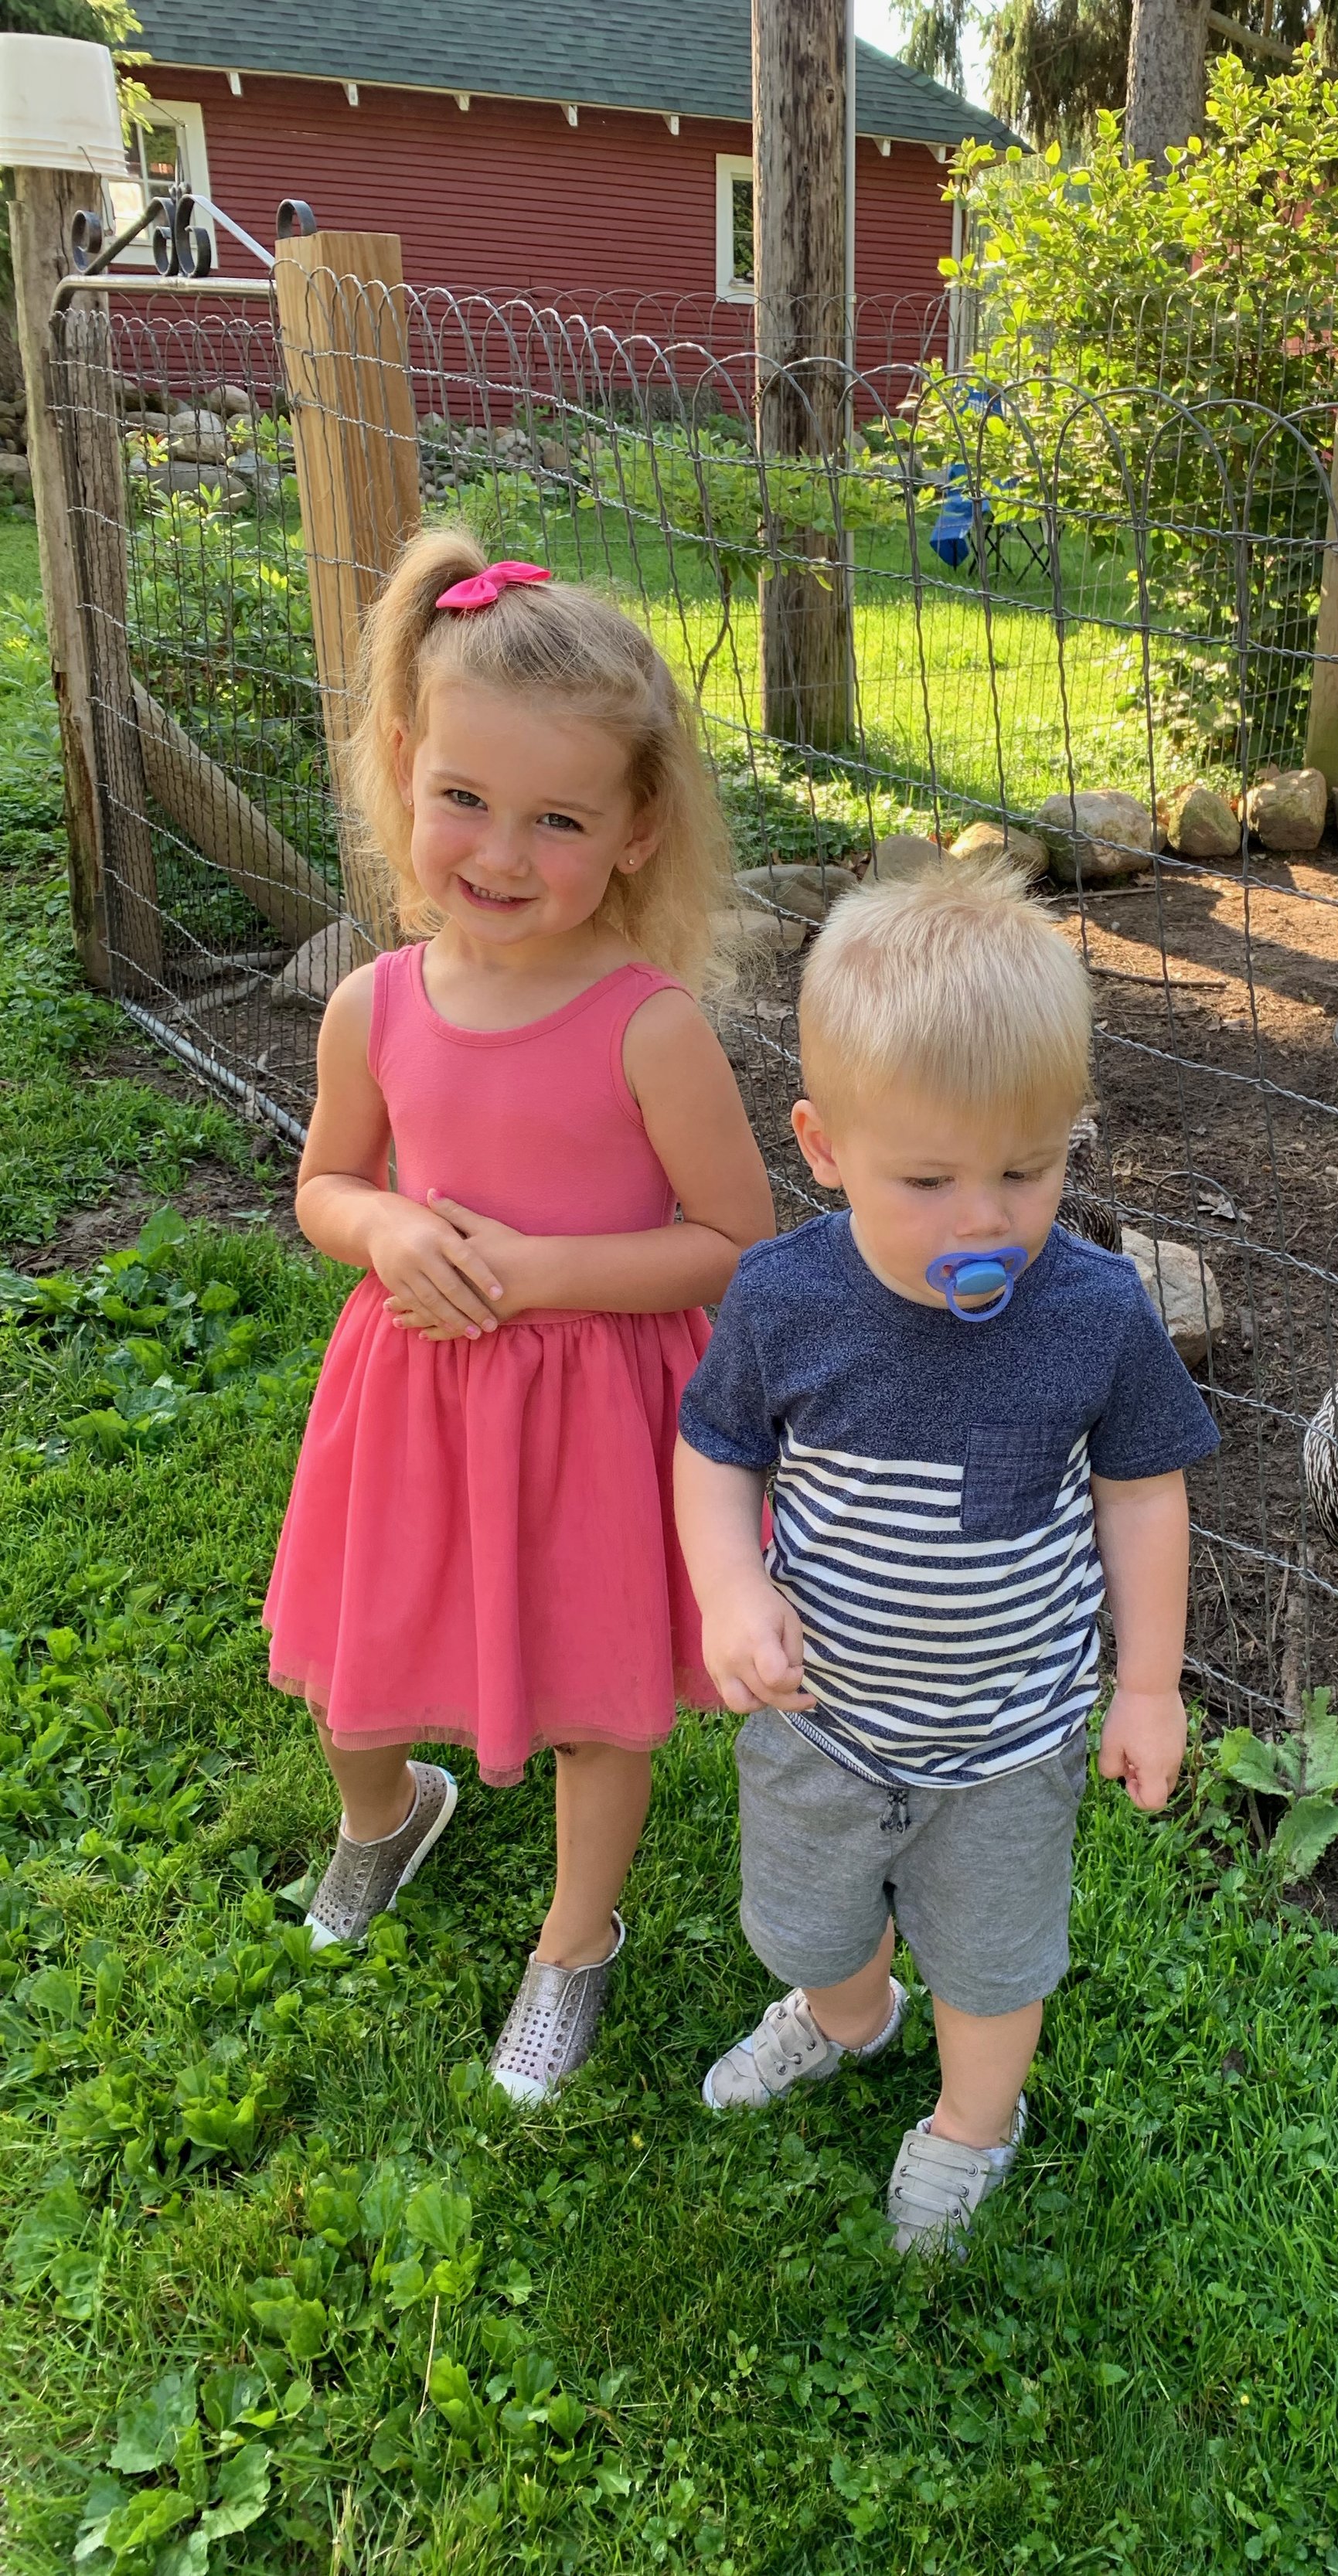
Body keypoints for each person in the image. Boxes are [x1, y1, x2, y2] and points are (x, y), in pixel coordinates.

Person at [265, 536, 774, 2103]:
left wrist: (544, 1271)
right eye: (466, 799)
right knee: (351, 1655)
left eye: (558, 818)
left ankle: (572, 1938)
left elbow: (734, 1241)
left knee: (593, 1687)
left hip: (595, 1411)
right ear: (407, 773)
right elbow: (325, 1186)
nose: (500, 849)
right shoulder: (377, 1001)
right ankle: (383, 1812)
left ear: (633, 833)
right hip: (411, 1392)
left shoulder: (648, 1026)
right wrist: (393, 1226)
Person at [674, 863, 1218, 2254]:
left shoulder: (1092, 1312)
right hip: (824, 1725)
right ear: (823, 1144)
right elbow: (718, 1452)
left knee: (993, 1964)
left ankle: (974, 2121)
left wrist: (1146, 1686)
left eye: (1025, 1172)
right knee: (810, 1932)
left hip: (1007, 1743)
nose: (986, 1219)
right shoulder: (783, 1301)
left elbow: (1146, 1496)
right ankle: (850, 2021)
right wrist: (730, 1590)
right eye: (929, 1179)